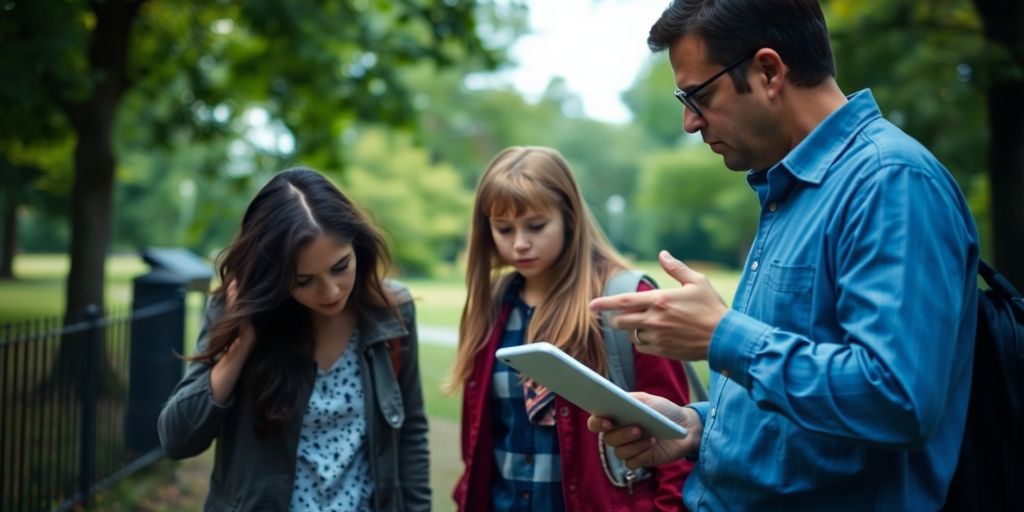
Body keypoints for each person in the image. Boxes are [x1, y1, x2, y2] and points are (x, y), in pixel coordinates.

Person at [587, 1, 980, 510]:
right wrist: (698, 424)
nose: (689, 122)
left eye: (699, 95)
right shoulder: (791, 188)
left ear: (769, 70)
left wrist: (721, 335)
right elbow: (802, 396)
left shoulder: (891, 182)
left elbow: (896, 399)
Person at [157, 168, 429, 511]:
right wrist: (242, 340)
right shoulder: (236, 310)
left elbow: (412, 432)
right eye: (303, 280)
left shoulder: (393, 311)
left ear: (358, 246)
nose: (330, 291)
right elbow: (177, 438)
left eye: (340, 266)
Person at [448, 146, 693, 511]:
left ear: (569, 218)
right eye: (503, 228)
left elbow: (674, 440)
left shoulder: (624, 298)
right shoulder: (491, 305)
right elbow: (480, 439)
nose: (519, 243)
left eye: (535, 225)